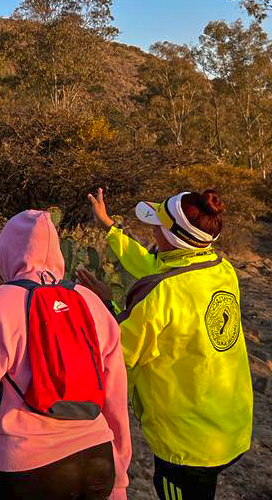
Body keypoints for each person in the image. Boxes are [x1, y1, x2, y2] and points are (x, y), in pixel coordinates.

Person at [78, 188, 252, 500]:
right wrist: (109, 227)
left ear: (170, 237)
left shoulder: (162, 295)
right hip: (229, 426)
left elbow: (120, 351)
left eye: (156, 224)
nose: (151, 229)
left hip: (187, 443)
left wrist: (107, 306)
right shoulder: (219, 269)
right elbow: (152, 266)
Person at [0, 210, 131, 500]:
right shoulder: (91, 301)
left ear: (6, 251)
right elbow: (115, 400)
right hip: (96, 461)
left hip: (25, 467)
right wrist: (120, 478)